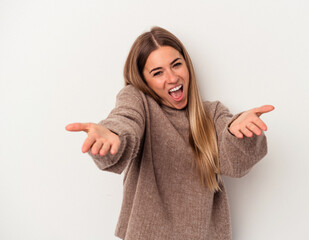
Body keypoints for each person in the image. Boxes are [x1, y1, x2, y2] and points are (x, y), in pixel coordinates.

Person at [66, 26, 274, 240]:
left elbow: (235, 162)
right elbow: (126, 119)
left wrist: (240, 134)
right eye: (158, 73)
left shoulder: (212, 114)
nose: (172, 78)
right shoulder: (139, 102)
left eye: (176, 65)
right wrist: (111, 135)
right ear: (143, 80)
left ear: (187, 65)